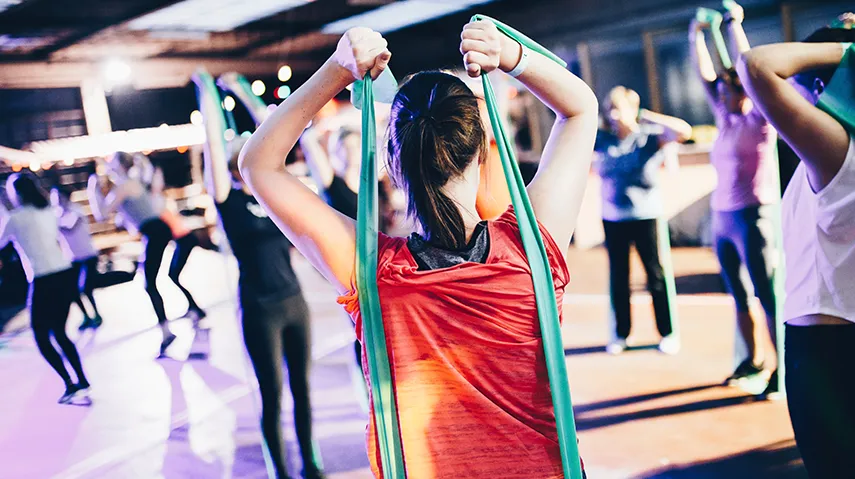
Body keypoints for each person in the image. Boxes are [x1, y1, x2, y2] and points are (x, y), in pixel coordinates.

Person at [240, 20, 598, 478]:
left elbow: (258, 164)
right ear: (482, 152)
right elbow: (580, 109)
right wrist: (511, 56)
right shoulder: (531, 249)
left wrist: (338, 69)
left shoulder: (373, 274)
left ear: (393, 162)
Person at [737, 20, 855, 476]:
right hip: (822, 344)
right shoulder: (827, 152)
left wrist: (849, 48)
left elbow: (756, 65)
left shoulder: (837, 150)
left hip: (831, 353)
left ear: (824, 85)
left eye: (800, 87)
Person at [194, 71, 324, 479]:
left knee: (303, 393)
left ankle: (311, 464)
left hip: (293, 303)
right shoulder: (228, 203)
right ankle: (280, 471)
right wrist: (209, 95)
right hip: (259, 309)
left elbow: (278, 130)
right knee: (273, 397)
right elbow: (214, 146)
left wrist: (244, 90)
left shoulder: (272, 194)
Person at [690, 5, 780, 394]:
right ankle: (753, 359)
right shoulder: (725, 120)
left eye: (728, 89)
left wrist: (732, 25)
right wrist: (696, 34)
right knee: (740, 296)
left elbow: (747, 66)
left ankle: (781, 370)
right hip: (723, 218)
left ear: (743, 90)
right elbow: (705, 74)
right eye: (721, 91)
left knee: (767, 296)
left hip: (752, 217)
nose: (721, 94)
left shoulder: (760, 119)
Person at [595, 86, 692, 355]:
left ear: (632, 109)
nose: (613, 115)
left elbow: (684, 132)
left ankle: (667, 333)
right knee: (619, 277)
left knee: (655, 275)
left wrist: (647, 116)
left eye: (619, 108)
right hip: (613, 218)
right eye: (610, 109)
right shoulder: (602, 139)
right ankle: (621, 334)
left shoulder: (648, 138)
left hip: (646, 216)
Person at [87, 152, 205, 355]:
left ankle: (168, 331)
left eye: (112, 163)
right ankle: (177, 321)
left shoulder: (125, 185)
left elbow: (101, 213)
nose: (108, 167)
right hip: (154, 232)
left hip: (155, 231)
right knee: (152, 281)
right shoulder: (128, 184)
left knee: (150, 283)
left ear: (120, 166)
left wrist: (93, 187)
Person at [0, 174, 90, 403]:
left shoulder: (15, 218)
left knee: (41, 337)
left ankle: (70, 384)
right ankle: (82, 380)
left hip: (43, 278)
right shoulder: (49, 212)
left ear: (16, 194)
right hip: (64, 274)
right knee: (60, 332)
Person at [50, 186, 104, 331]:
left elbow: (71, 227)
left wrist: (51, 226)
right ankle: (86, 316)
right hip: (72, 259)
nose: (56, 200)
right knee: (72, 291)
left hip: (88, 255)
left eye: (59, 196)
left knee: (85, 288)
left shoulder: (76, 210)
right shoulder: (55, 215)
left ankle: (97, 315)